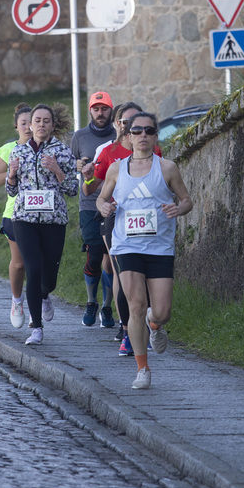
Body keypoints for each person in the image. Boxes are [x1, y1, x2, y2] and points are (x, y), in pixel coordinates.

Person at [97, 112, 192, 389]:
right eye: (136, 131)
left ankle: (155, 324)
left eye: (148, 131)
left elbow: (187, 200)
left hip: (159, 247)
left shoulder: (167, 168)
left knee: (161, 311)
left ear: (155, 136)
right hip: (126, 245)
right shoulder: (116, 168)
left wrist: (179, 208)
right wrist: (105, 207)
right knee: (136, 305)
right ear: (127, 136)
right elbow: (102, 198)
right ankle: (142, 368)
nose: (142, 136)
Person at [89, 101, 163, 357]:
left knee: (149, 281)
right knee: (123, 275)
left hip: (153, 225)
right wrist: (100, 199)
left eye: (147, 129)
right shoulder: (109, 153)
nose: (141, 133)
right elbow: (92, 189)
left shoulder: (159, 155)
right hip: (118, 221)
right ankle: (127, 329)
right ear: (123, 128)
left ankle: (149, 322)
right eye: (132, 126)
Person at [6, 103, 78, 345]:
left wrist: (57, 171)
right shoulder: (18, 152)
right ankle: (36, 328)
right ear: (29, 124)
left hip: (53, 220)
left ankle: (46, 294)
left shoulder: (63, 152)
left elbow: (72, 189)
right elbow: (11, 191)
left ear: (53, 125)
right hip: (24, 219)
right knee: (32, 270)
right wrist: (12, 176)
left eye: (46, 121)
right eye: (36, 120)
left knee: (49, 276)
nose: (40, 125)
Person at [70, 91, 118, 328]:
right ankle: (91, 302)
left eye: (105, 109)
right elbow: (70, 166)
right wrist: (78, 165)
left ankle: (107, 307)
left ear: (111, 110)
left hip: (115, 204)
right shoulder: (79, 137)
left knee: (110, 259)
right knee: (94, 253)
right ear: (90, 110)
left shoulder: (118, 136)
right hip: (89, 204)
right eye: (96, 109)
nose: (100, 113)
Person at [0, 103, 33, 326]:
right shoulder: (8, 149)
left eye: (31, 123)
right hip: (15, 212)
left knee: (40, 262)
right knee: (19, 264)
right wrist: (12, 170)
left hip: (41, 213)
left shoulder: (47, 148)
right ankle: (17, 300)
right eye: (23, 123)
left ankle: (42, 298)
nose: (28, 128)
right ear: (16, 126)